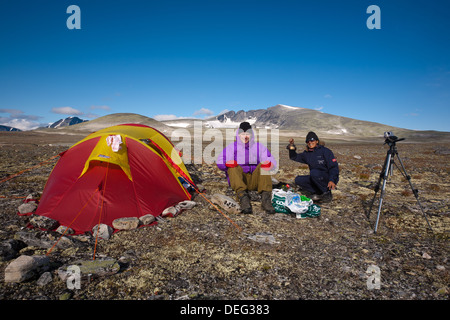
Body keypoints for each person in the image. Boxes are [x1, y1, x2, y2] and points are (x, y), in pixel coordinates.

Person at [217, 122, 276, 214]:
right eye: (243, 134)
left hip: (255, 180)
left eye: (247, 134)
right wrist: (226, 163)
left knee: (264, 164)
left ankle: (266, 199)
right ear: (238, 134)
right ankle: (243, 197)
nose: (245, 136)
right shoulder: (231, 147)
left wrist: (270, 164)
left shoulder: (259, 147)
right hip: (240, 180)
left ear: (251, 135)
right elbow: (220, 161)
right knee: (233, 166)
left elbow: (269, 158)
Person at [287, 131, 339, 202]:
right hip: (316, 177)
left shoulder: (325, 151)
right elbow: (294, 157)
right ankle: (319, 192)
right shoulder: (307, 154)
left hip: (327, 177)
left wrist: (332, 180)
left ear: (317, 141)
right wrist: (292, 147)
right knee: (298, 180)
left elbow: (334, 167)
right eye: (308, 141)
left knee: (314, 172)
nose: (310, 142)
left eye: (312, 140)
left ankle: (326, 194)